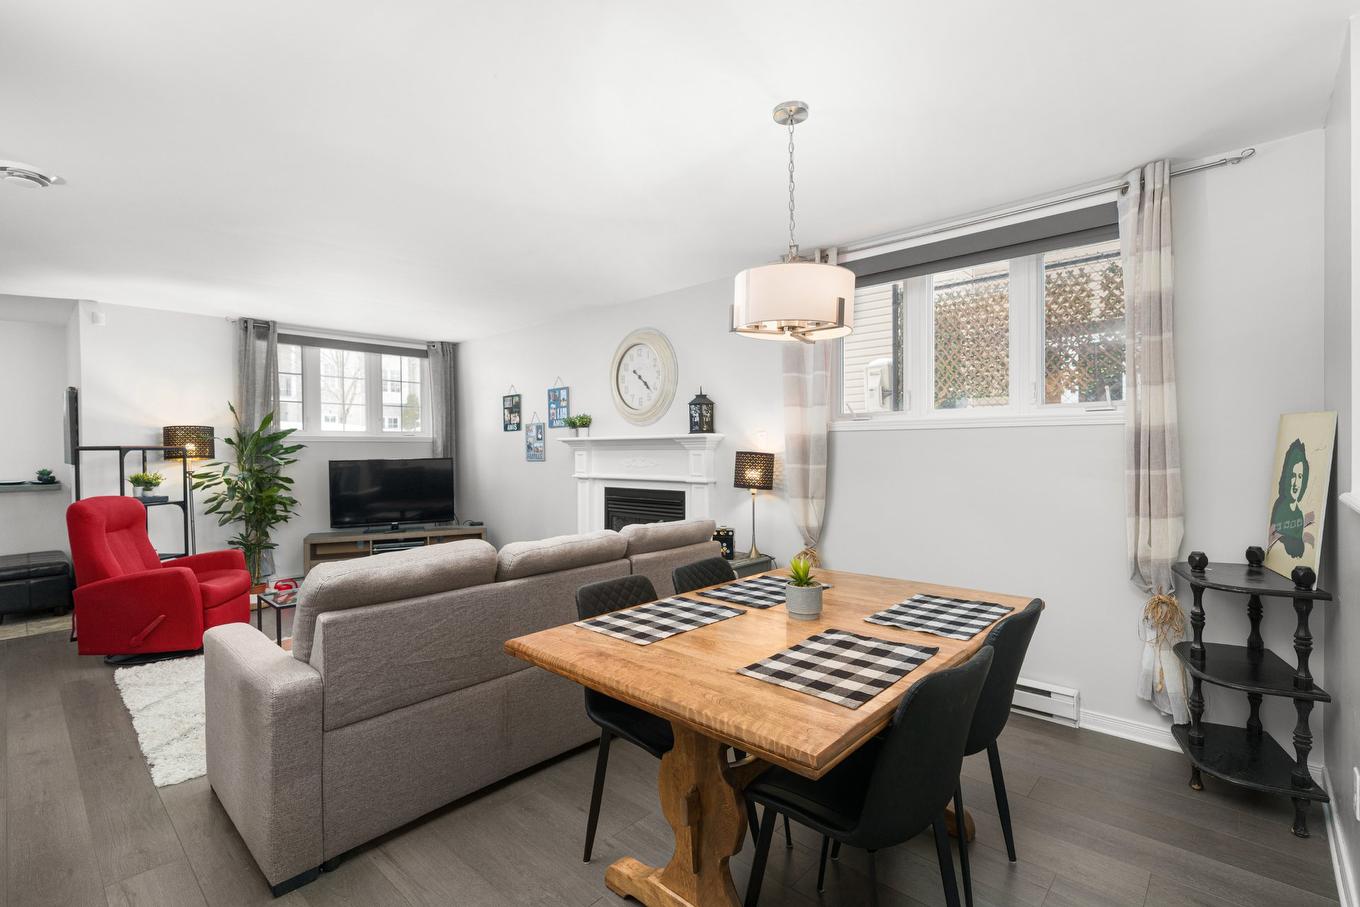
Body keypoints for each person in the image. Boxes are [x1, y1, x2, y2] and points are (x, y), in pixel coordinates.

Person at [1270, 439, 1309, 558]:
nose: (1296, 483)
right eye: (1293, 476)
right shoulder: (1279, 508)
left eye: (1300, 476)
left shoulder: (1299, 515)